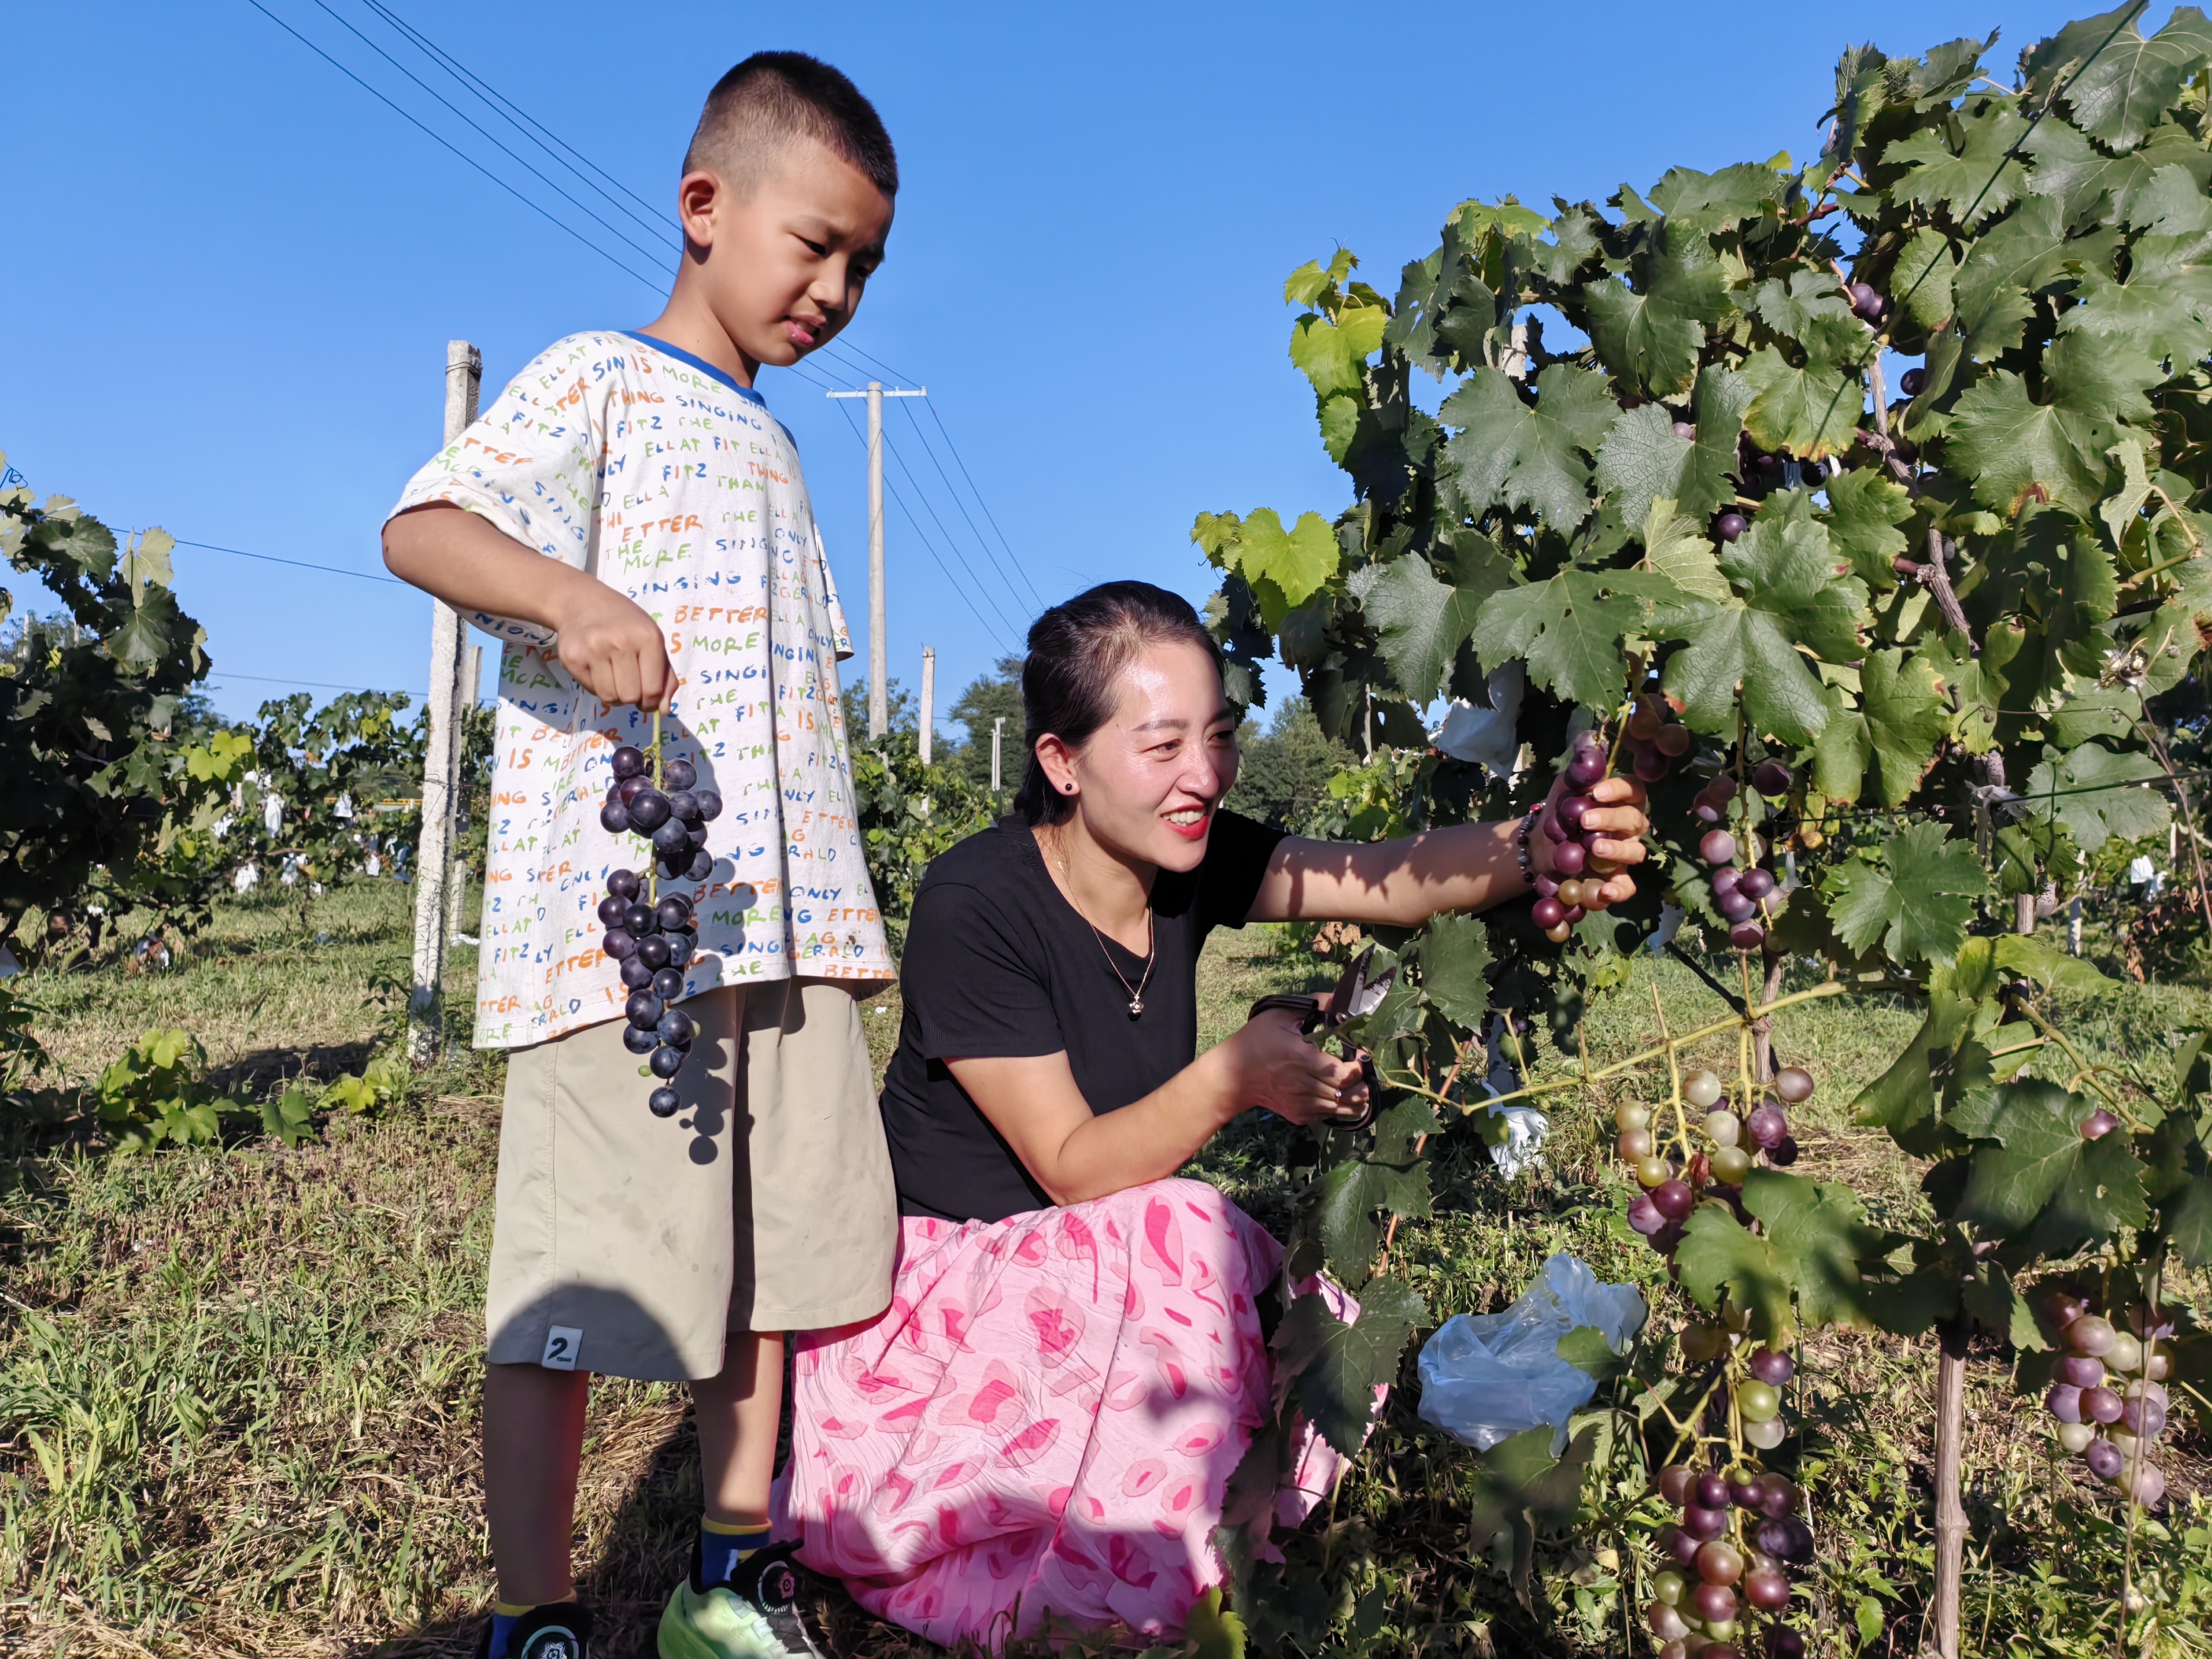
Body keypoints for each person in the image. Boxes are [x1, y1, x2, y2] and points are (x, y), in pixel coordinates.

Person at [771, 582, 1651, 1648]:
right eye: (1162, 746)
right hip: (939, 1315)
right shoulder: (975, 904)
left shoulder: (1184, 854)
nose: (1204, 776)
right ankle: (1126, 1574)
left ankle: (1164, 1541)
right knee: (1191, 1232)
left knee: (1302, 1311)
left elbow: (1378, 880)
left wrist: (1543, 838)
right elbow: (1069, 1168)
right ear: (1061, 762)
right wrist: (1235, 1076)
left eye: (1220, 737)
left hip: (1092, 1277)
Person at [382, 53, 902, 1659]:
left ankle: (729, 1578)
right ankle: (533, 1616)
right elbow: (424, 527)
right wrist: (570, 597)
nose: (836, 290)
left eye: (865, 267)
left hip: (788, 923)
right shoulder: (596, 378)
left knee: (776, 1263)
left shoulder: (780, 450)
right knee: (582, 1282)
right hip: (635, 940)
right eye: (815, 246)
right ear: (704, 206)